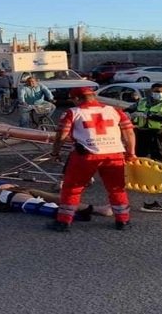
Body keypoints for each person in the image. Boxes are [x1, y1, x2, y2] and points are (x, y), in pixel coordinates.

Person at [48, 87, 137, 232]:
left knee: (72, 189)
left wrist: (55, 153)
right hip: (114, 154)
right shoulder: (115, 110)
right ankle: (123, 221)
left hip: (85, 155)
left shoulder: (72, 112)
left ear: (76, 98)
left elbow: (61, 136)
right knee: (116, 188)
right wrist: (131, 153)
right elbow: (129, 133)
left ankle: (63, 222)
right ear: (93, 96)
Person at [126, 83, 162, 213]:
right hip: (142, 133)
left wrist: (149, 116)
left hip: (159, 134)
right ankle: (140, 183)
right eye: (157, 91)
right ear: (151, 91)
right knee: (139, 160)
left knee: (161, 160)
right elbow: (128, 110)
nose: (159, 93)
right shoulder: (143, 101)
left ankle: (161, 185)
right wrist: (130, 115)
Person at [0, 180, 113, 220]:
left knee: (60, 198)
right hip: (1, 196)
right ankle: (72, 216)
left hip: (16, 188)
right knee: (35, 204)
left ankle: (98, 209)